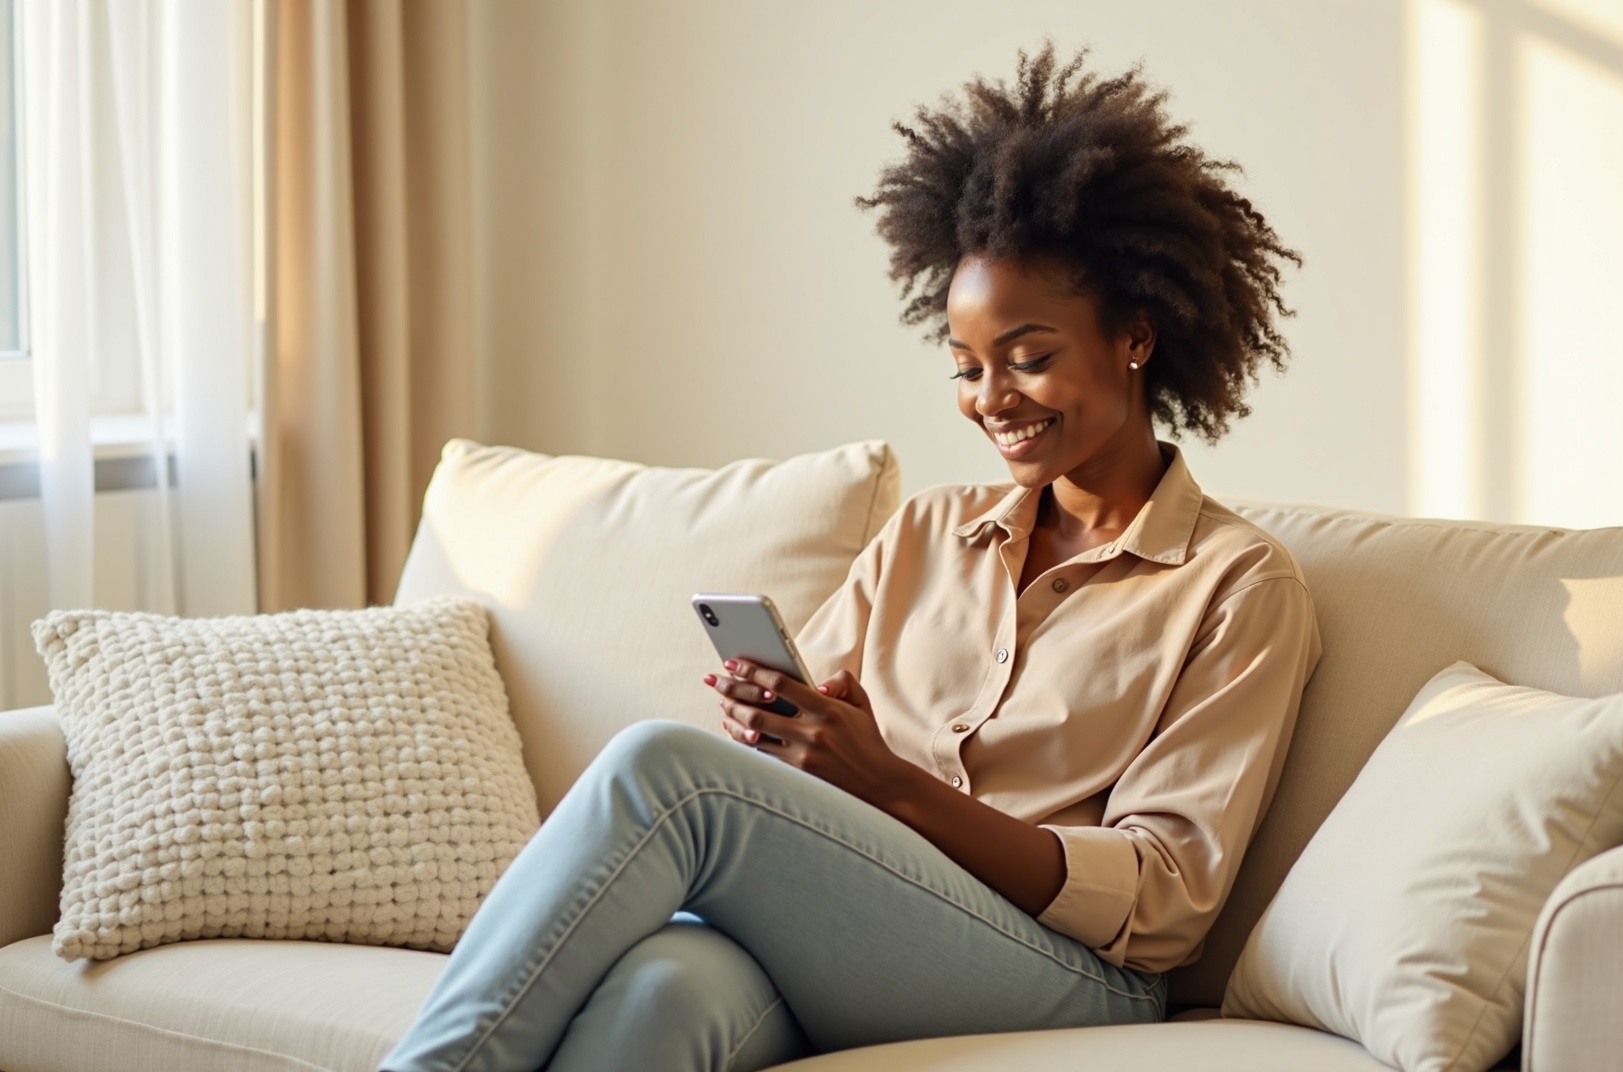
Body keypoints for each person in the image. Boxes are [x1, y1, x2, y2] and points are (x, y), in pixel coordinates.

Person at [383, 43, 1320, 1072]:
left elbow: (1163, 898)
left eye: (1029, 357)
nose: (991, 400)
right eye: (966, 367)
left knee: (665, 773)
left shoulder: (1236, 585)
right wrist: (793, 734)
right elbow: (788, 777)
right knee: (665, 993)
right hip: (877, 920)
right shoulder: (928, 532)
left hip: (1075, 974)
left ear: (1136, 337)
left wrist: (895, 784)